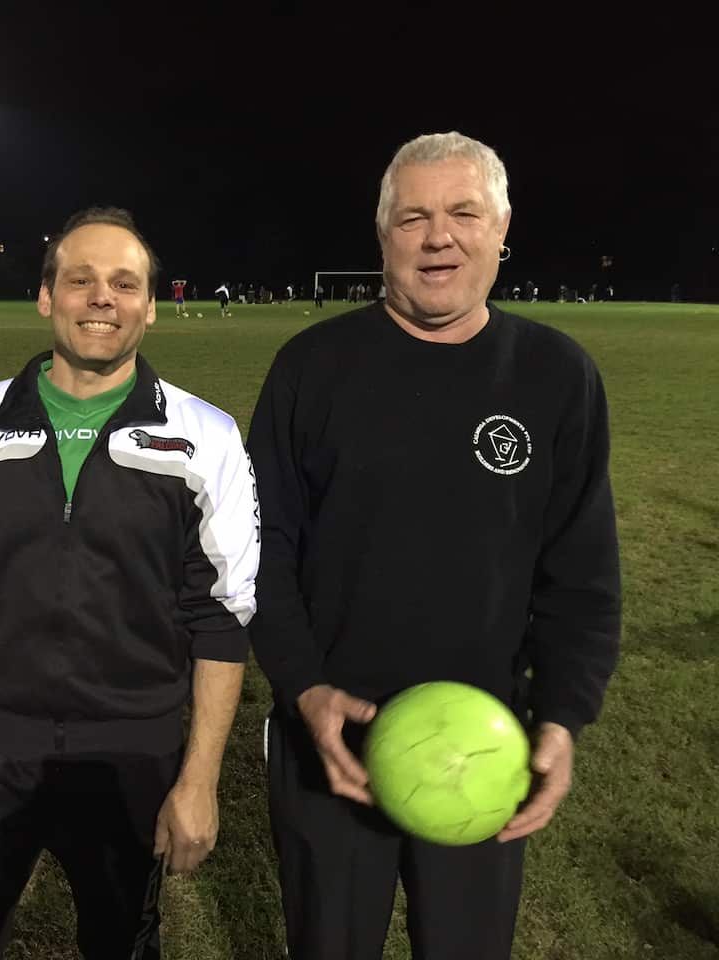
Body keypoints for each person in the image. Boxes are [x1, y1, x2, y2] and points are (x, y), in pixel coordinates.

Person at [247, 131, 620, 960]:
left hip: (484, 745)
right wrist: (305, 690)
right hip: (331, 744)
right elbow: (259, 553)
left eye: (463, 213)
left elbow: (581, 574)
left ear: (501, 227)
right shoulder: (312, 367)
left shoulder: (557, 374)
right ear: (383, 237)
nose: (437, 236)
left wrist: (560, 716)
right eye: (412, 217)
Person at [0, 206, 260, 960]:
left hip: (133, 750)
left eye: (125, 283)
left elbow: (221, 618)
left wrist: (199, 779)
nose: (104, 298)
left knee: (123, 944)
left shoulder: (207, 436)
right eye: (81, 280)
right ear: (46, 297)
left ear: (150, 306)